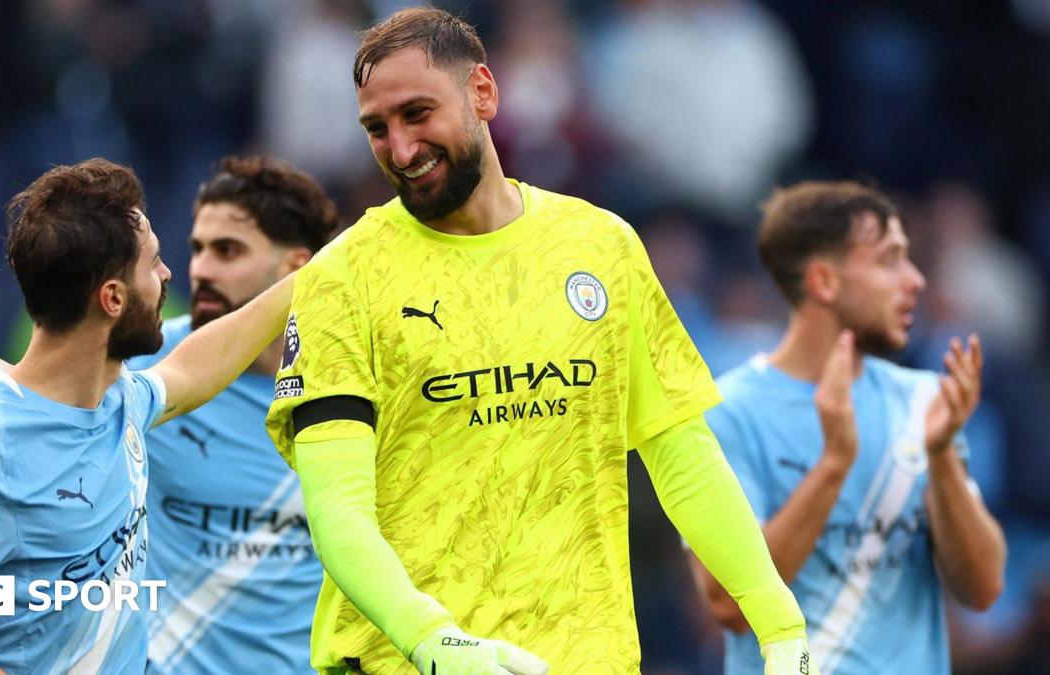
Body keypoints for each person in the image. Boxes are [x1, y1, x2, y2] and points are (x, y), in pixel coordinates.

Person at [265, 8, 819, 675]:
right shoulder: (341, 281)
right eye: (377, 129)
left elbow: (684, 459)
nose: (402, 150)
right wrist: (437, 643)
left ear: (484, 94)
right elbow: (337, 514)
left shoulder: (601, 246)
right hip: (407, 662)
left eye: (418, 114)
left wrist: (779, 623)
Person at [0, 158, 293, 674]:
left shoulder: (120, 402)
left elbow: (193, 370)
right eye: (154, 264)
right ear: (113, 298)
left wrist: (312, 279)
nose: (168, 276)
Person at [688, 181, 1006, 674]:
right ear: (824, 281)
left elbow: (983, 589)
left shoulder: (924, 400)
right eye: (889, 260)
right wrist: (834, 463)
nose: (915, 280)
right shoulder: (724, 413)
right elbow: (729, 606)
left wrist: (941, 454)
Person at [126, 156, 338, 674]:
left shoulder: (353, 383)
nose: (200, 269)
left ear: (296, 269)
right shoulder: (147, 367)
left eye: (228, 251)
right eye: (197, 249)